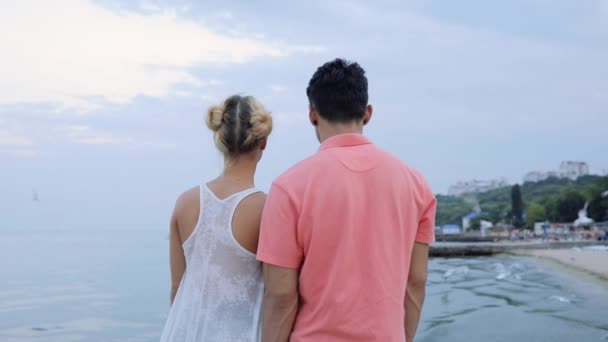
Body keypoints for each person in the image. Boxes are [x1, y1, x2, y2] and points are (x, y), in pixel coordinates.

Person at [257, 58, 436, 342]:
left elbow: (280, 295)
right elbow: (416, 282)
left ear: (312, 114)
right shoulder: (416, 185)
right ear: (367, 113)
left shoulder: (288, 187)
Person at [160, 95, 272, 341]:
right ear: (262, 142)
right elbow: (278, 293)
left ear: (219, 139)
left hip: (184, 332)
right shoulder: (265, 208)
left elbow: (177, 290)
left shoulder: (185, 202)